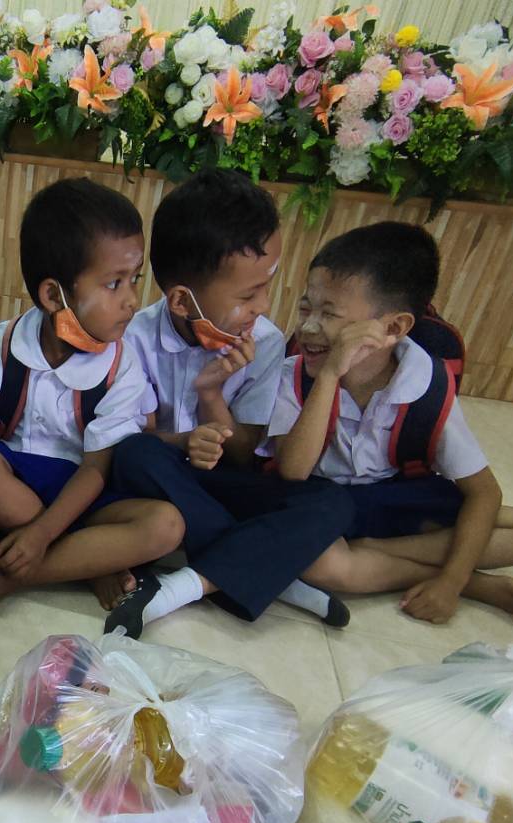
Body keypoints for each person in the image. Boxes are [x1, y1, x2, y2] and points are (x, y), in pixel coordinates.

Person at [99, 169, 355, 637]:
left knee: (332, 501)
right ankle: (272, 575)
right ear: (182, 301)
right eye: (248, 294)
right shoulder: (133, 339)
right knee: (136, 453)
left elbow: (242, 453)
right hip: (160, 481)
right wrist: (185, 441)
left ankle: (188, 583)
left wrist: (211, 394)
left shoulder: (266, 341)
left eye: (268, 286)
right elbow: (129, 441)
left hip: (221, 483)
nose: (263, 305)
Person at [265, 221, 513, 623]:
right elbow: (293, 470)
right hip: (324, 504)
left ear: (394, 327)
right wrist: (330, 375)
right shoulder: (296, 374)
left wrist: (451, 582)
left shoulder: (426, 383)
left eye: (330, 313)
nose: (309, 327)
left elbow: (484, 493)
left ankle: (386, 554)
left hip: (397, 501)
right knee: (320, 564)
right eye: (306, 308)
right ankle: (471, 583)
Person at [0, 177, 184, 601]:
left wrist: (42, 534)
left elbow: (96, 469)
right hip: (10, 486)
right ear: (53, 295)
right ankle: (84, 560)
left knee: (166, 525)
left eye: (135, 279)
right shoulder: (1, 343)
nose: (133, 300)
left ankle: (4, 575)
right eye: (114, 283)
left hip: (83, 493)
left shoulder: (122, 364)